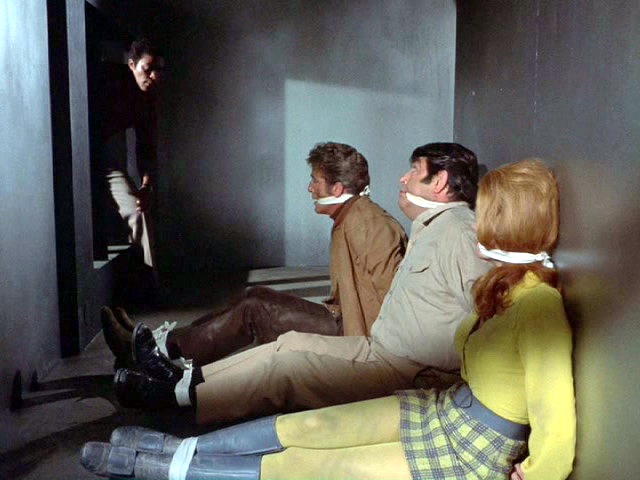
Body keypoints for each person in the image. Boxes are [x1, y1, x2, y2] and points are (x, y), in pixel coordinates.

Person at [80, 159, 576, 480]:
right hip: (442, 407)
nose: (478, 221)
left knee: (315, 464)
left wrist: (539, 473)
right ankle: (178, 440)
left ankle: (170, 460)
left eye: (487, 212)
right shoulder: (502, 282)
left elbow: (554, 416)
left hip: (463, 439)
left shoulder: (531, 299)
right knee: (309, 425)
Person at [112, 142, 491, 426]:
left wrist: (454, 395)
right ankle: (185, 382)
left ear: (440, 181)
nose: (402, 178)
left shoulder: (452, 233)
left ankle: (178, 392)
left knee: (285, 362)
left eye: (413, 171)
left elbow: (490, 318)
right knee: (286, 343)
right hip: (381, 349)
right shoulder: (429, 228)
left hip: (400, 367)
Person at [101, 142, 407, 368]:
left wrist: (369, 362)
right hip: (343, 322)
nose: (310, 188)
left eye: (315, 180)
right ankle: (160, 342)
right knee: (256, 296)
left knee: (255, 309)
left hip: (356, 340)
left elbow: (395, 303)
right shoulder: (351, 217)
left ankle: (158, 352)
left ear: (337, 189)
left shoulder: (370, 225)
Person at [90, 37, 162, 269]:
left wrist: (146, 185)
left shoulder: (147, 100)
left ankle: (149, 283)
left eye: (157, 70)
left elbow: (146, 146)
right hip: (73, 152)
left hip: (100, 158)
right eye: (147, 69)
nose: (153, 76)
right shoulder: (106, 78)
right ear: (132, 65)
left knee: (138, 209)